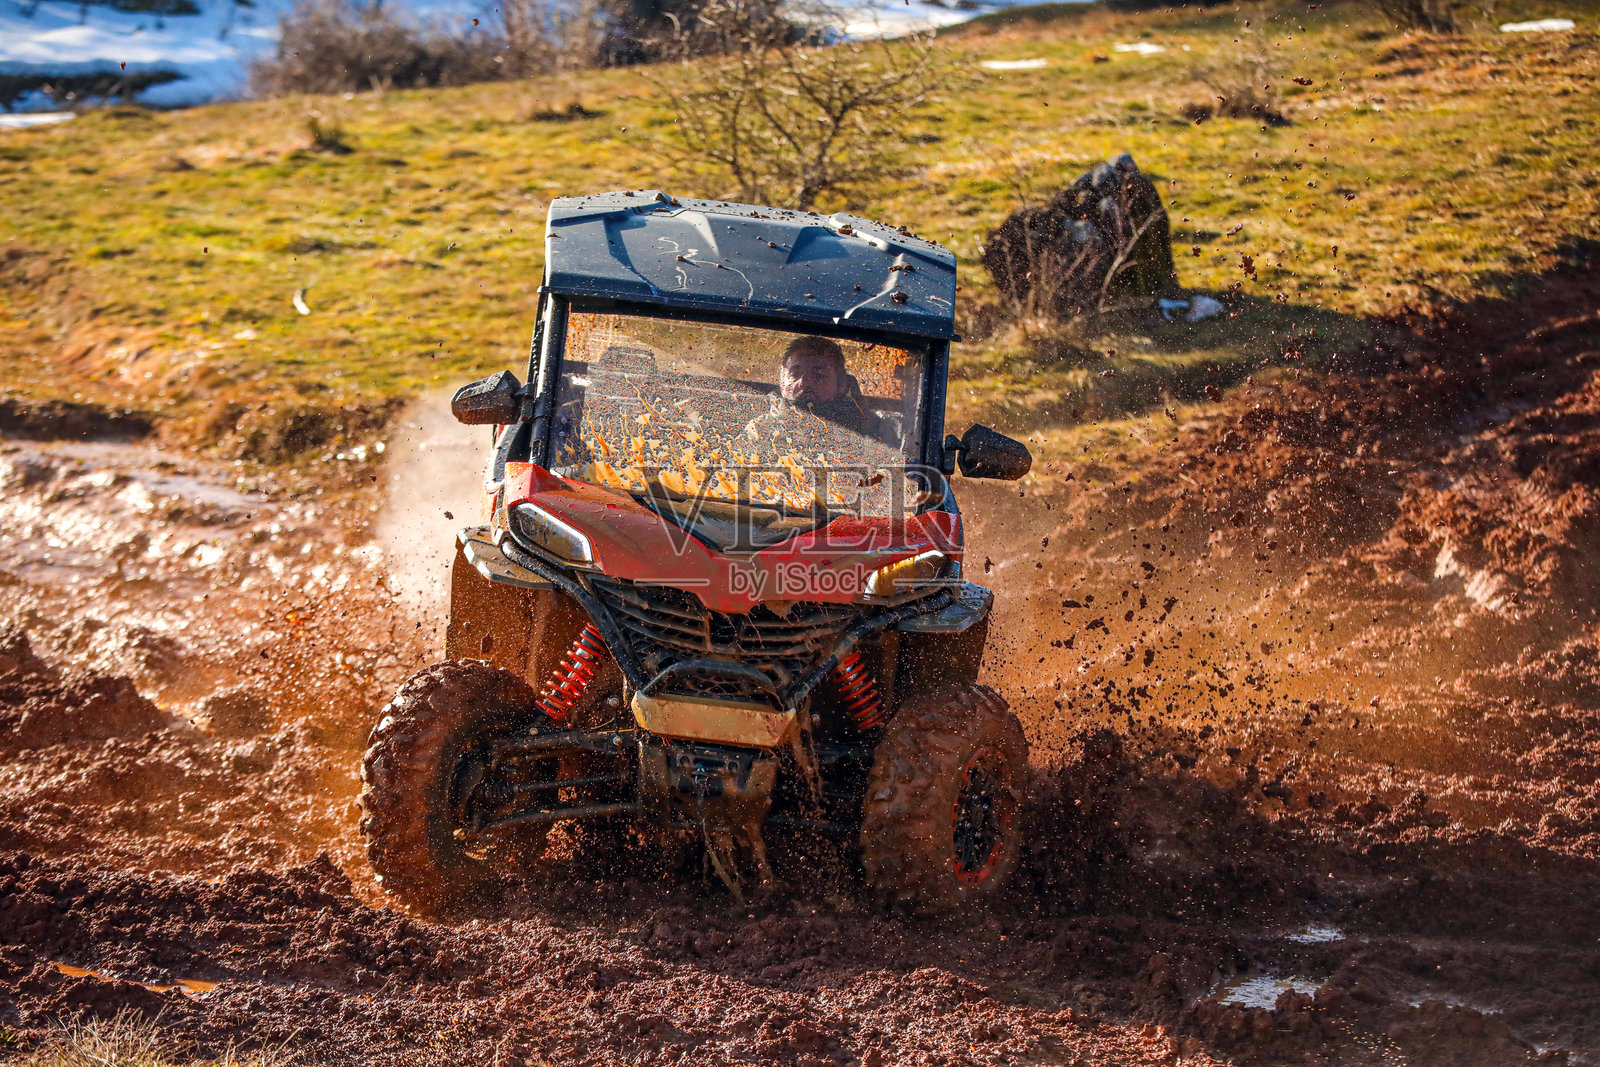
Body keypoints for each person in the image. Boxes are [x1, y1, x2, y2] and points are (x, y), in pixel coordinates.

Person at [745, 336, 885, 447]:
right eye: (795, 374)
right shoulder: (760, 431)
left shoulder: (872, 432)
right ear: (782, 381)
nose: (804, 383)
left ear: (841, 385)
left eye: (819, 375)